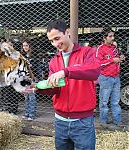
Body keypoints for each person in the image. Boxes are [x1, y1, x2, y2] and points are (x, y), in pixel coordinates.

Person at [24, 19, 100, 150]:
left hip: (82, 121)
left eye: (57, 38)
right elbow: (55, 89)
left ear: (68, 32)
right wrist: (37, 88)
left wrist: (65, 72)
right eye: (52, 41)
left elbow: (94, 71)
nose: (55, 44)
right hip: (60, 121)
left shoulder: (86, 52)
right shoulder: (54, 61)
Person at [96, 27, 125, 127]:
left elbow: (117, 59)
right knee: (104, 101)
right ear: (104, 37)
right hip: (105, 77)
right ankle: (103, 121)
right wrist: (112, 60)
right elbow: (98, 64)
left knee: (116, 101)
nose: (113, 38)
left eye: (113, 36)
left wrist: (121, 58)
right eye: (110, 36)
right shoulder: (100, 49)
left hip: (116, 77)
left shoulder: (114, 48)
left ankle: (117, 120)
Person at [21, 40, 37, 120]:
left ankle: (32, 114)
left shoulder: (34, 56)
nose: (25, 47)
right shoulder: (23, 56)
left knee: (31, 96)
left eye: (26, 45)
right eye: (23, 46)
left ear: (30, 46)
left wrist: (30, 66)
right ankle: (27, 113)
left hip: (31, 78)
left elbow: (36, 67)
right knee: (26, 96)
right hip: (25, 78)